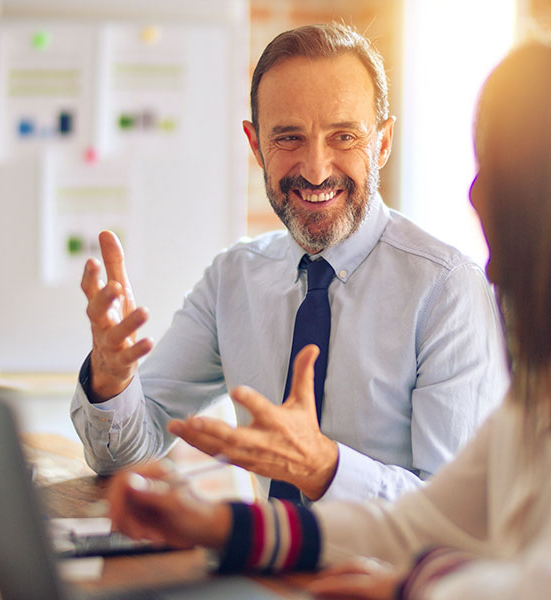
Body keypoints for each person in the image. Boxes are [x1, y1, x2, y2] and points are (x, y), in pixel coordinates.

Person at [103, 31, 551, 598]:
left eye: (500, 167)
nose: (477, 195)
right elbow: (416, 524)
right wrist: (221, 526)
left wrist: (415, 586)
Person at [71, 23, 508, 503]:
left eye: (343, 136)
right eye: (289, 138)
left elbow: (458, 514)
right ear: (256, 145)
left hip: (384, 577)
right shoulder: (232, 279)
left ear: (381, 144)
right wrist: (111, 383)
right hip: (263, 566)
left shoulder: (447, 290)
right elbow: (126, 455)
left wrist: (326, 471)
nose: (316, 169)